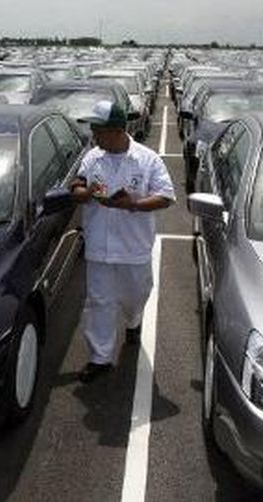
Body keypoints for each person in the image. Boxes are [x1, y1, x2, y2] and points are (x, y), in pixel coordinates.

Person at [70, 100, 175, 383]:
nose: (94, 134)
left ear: (116, 130)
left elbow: (166, 196)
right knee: (99, 302)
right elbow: (77, 185)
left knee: (135, 296)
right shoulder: (93, 157)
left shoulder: (148, 159)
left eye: (98, 130)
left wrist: (134, 204)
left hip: (133, 248)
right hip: (99, 247)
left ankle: (133, 320)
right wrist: (85, 192)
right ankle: (99, 358)